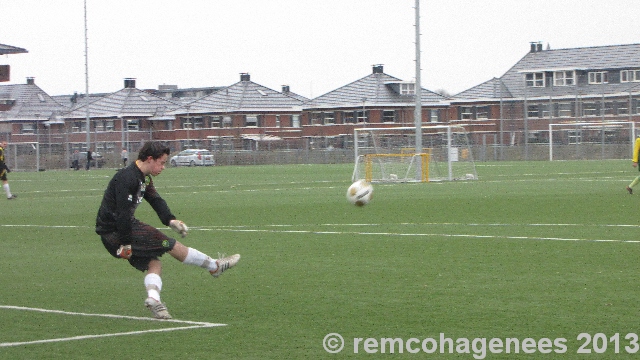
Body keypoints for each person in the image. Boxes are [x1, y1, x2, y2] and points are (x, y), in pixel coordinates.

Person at [95, 141, 240, 319]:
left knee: (154, 264)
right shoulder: (127, 177)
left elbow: (155, 199)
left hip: (115, 233)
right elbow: (123, 215)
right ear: (150, 159)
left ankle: (154, 300)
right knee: (171, 245)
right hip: (117, 231)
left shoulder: (144, 177)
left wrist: (170, 219)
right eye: (162, 162)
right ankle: (214, 266)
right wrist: (125, 243)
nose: (163, 167)